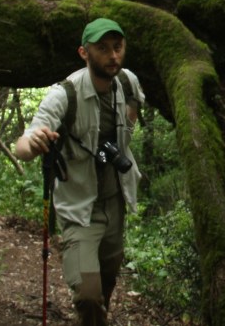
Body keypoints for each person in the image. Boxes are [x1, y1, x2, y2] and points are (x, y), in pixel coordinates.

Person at [15, 17, 143, 326]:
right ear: (84, 53)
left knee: (104, 287)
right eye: (103, 49)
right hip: (78, 208)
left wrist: (125, 130)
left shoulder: (127, 82)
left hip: (115, 203)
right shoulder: (65, 95)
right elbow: (22, 146)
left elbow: (135, 105)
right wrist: (34, 143)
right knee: (87, 294)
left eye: (117, 47)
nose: (113, 56)